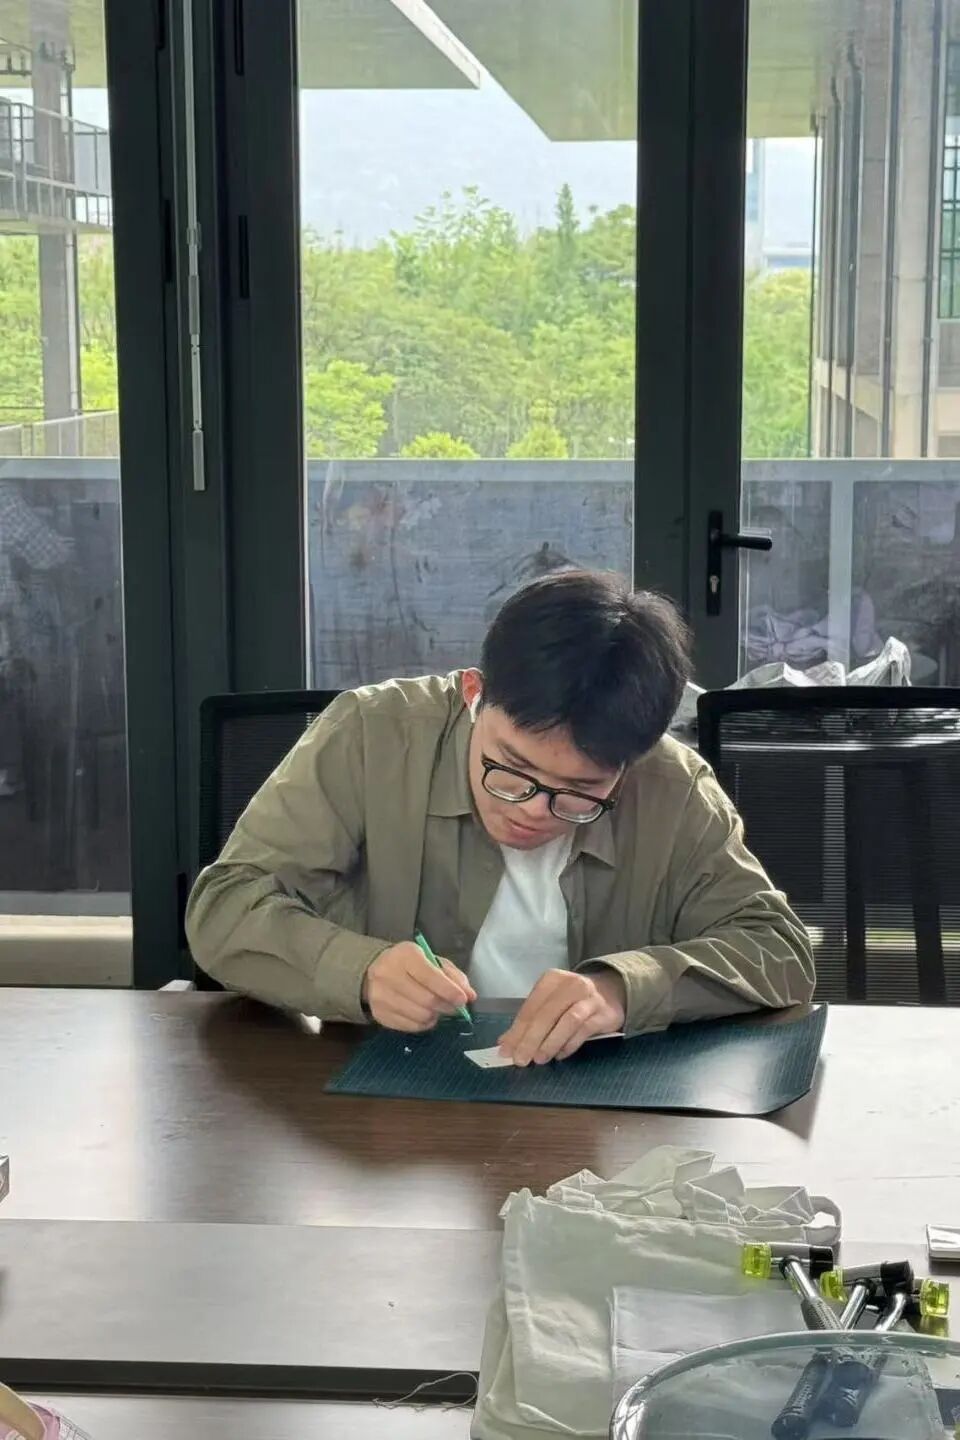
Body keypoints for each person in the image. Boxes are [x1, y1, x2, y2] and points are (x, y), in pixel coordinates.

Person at [186, 571, 813, 1065]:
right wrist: (363, 972)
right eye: (510, 768)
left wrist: (622, 991)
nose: (533, 810)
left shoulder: (672, 786)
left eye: (579, 792)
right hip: (384, 1102)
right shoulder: (371, 734)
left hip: (600, 1119)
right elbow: (224, 906)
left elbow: (779, 948)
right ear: (473, 693)